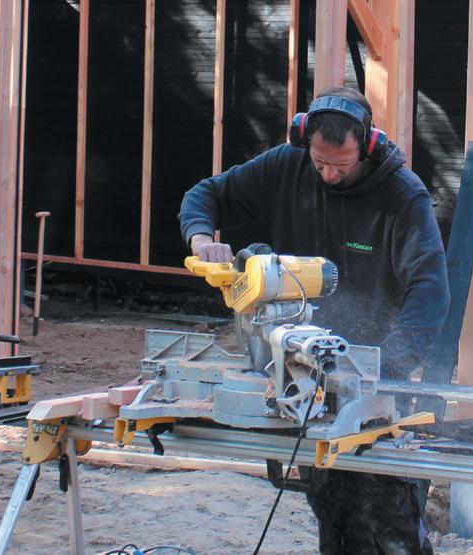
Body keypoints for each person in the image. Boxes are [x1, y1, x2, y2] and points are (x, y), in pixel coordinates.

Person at [179, 86, 449, 554]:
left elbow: (431, 291)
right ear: (305, 139)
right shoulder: (286, 166)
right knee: (331, 513)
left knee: (390, 524)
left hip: (376, 378)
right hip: (304, 375)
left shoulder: (402, 196)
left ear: (367, 146)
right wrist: (201, 237)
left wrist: (385, 368)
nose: (327, 174)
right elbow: (205, 195)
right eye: (320, 162)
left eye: (340, 166)